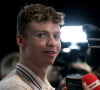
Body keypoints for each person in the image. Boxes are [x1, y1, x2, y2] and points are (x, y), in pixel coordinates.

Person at [0, 3, 89, 90]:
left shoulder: (42, 84)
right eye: (41, 35)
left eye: (56, 36)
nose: (52, 43)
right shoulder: (15, 87)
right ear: (21, 41)